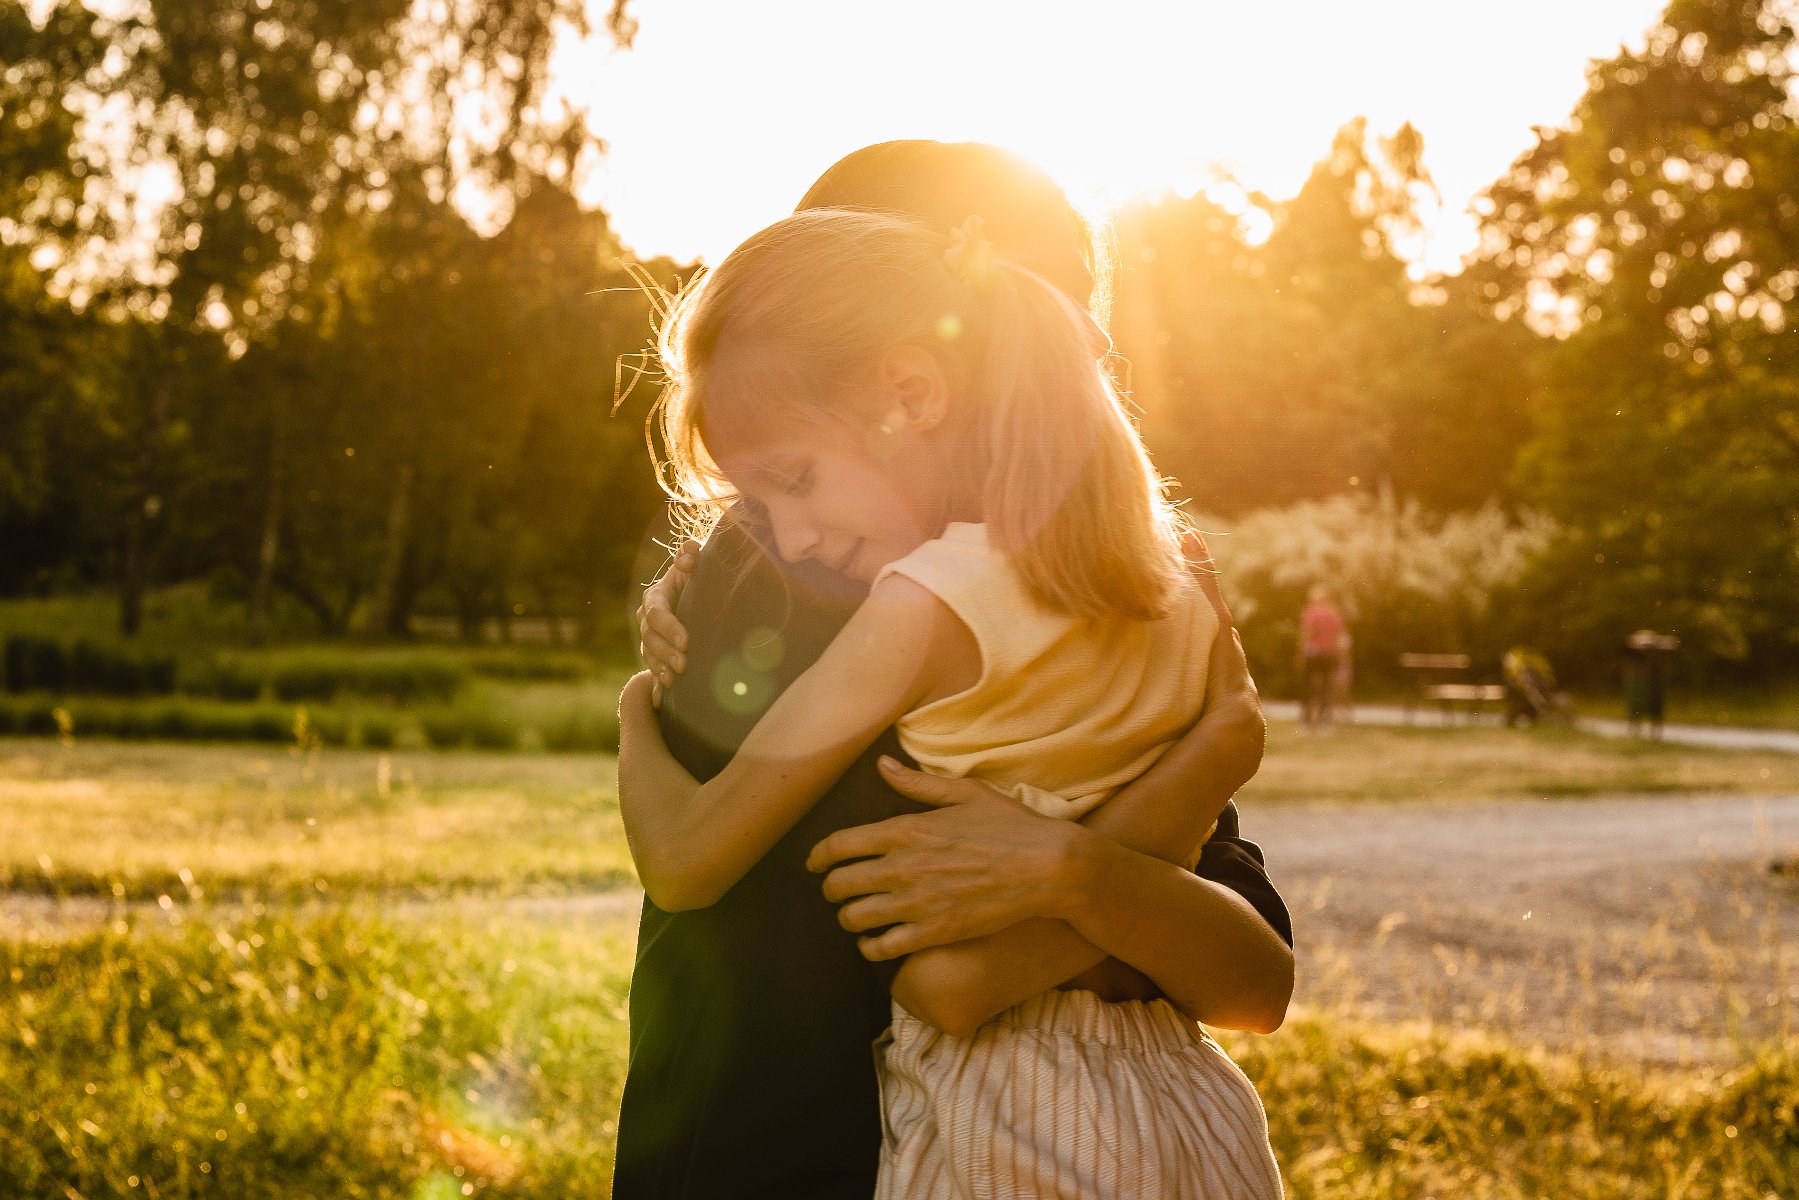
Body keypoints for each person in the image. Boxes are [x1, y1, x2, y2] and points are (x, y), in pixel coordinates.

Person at [612, 141, 1292, 1200]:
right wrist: (1145, 834)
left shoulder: (1112, 594)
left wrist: (1073, 872)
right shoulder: (801, 579)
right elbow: (1207, 966)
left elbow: (1250, 970)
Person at [1295, 585, 1347, 733]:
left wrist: (1300, 654)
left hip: (1313, 654)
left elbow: (1307, 634)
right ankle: (1325, 723)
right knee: (1326, 689)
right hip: (1330, 654)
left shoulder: (1310, 613)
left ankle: (1305, 723)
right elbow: (1340, 637)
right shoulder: (1336, 614)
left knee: (1307, 688)